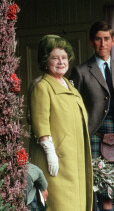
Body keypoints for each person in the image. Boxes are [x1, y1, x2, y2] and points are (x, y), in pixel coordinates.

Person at [69, 21, 114, 211]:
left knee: (112, 193)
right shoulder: (80, 71)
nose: (102, 44)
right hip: (94, 135)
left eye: (106, 39)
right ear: (91, 41)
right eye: (98, 39)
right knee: (95, 190)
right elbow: (74, 108)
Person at [28, 35, 93, 211]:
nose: (61, 62)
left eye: (64, 58)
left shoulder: (70, 87)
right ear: (45, 61)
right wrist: (50, 152)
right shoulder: (42, 86)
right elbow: (40, 122)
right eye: (55, 58)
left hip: (74, 163)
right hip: (56, 164)